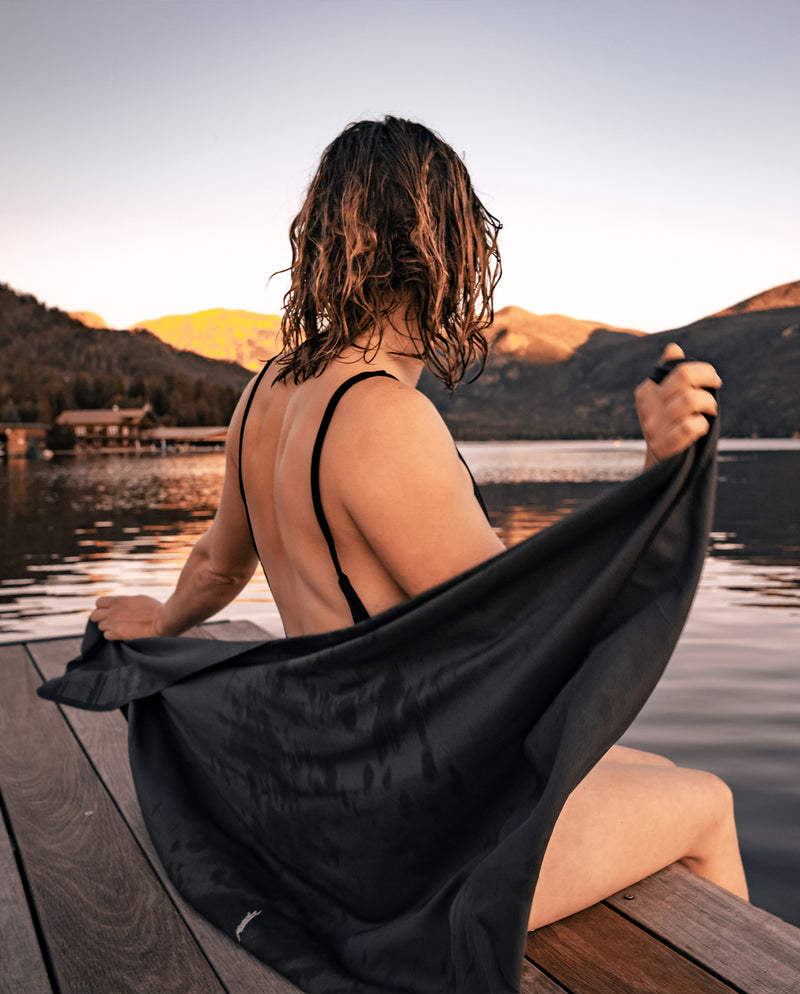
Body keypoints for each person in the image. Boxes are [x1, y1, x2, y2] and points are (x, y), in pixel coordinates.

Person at [90, 116, 747, 936]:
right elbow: (528, 647)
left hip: (318, 793)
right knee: (708, 804)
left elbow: (221, 565)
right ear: (448, 251)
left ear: (329, 237)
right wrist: (660, 476)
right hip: (398, 844)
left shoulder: (263, 392)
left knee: (648, 769)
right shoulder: (385, 419)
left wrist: (160, 620)